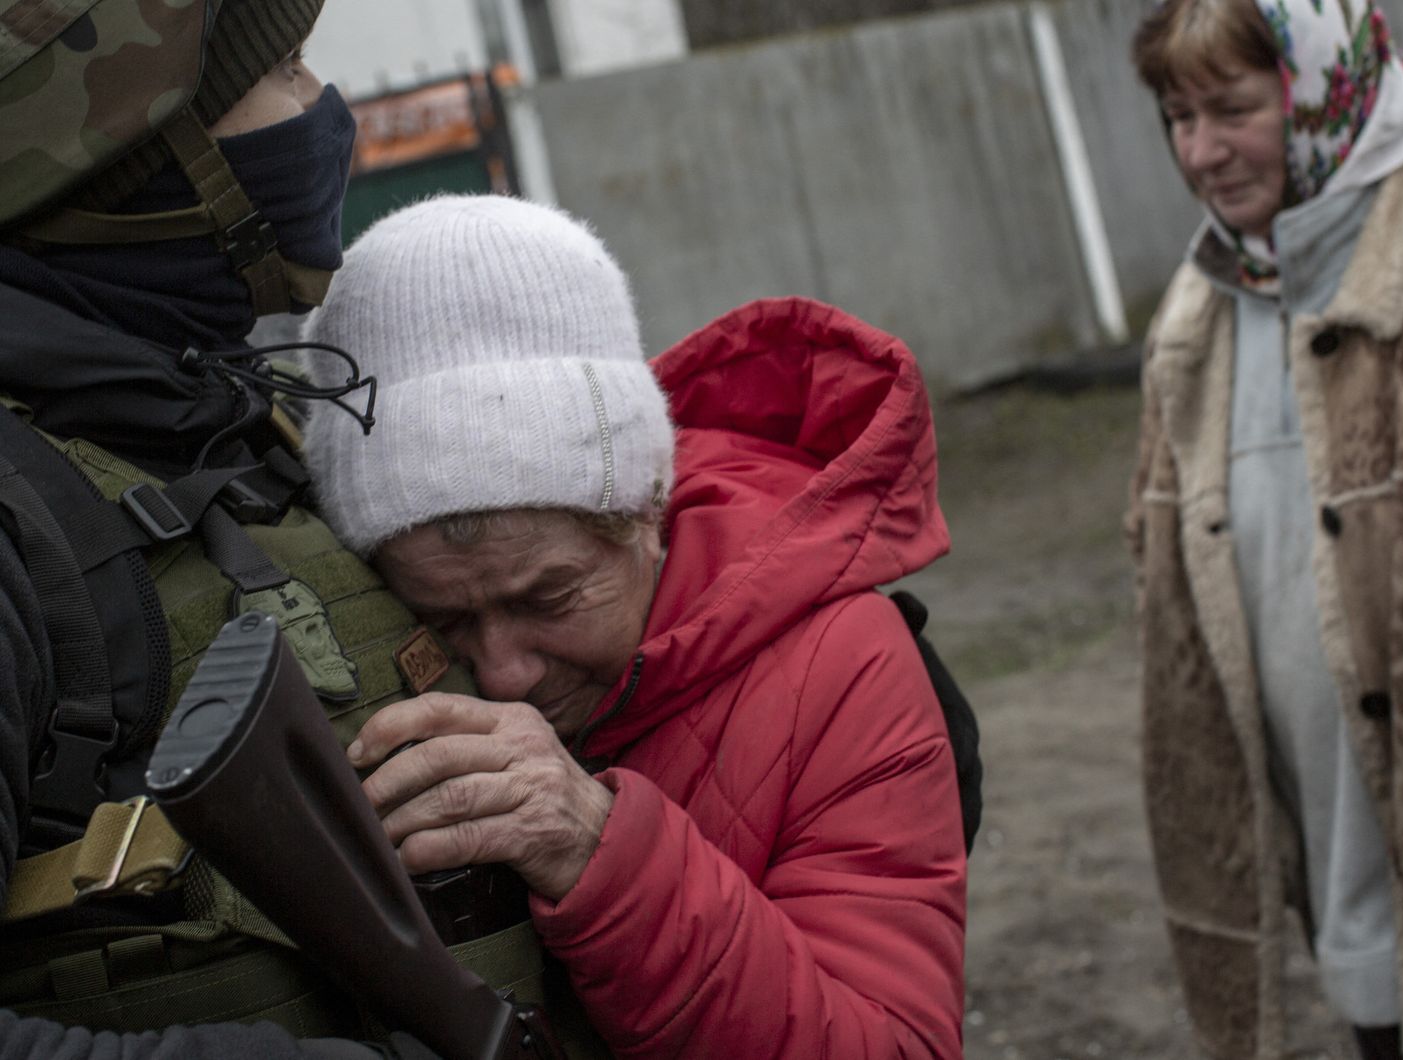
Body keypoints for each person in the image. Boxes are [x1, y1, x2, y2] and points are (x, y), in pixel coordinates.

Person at [0, 2, 581, 1056]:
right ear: (134, 158)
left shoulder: (237, 423)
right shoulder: (19, 523)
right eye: (286, 70)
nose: (324, 110)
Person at [297, 194, 969, 1057]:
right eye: (442, 618)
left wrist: (599, 855)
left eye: (548, 599)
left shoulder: (840, 667)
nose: (503, 674)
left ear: (648, 513)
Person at [1126, 1, 1403, 1058]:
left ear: (1327, 91)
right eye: (1177, 117)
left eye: (1234, 109)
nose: (1202, 152)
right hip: (1355, 909)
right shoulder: (1197, 318)